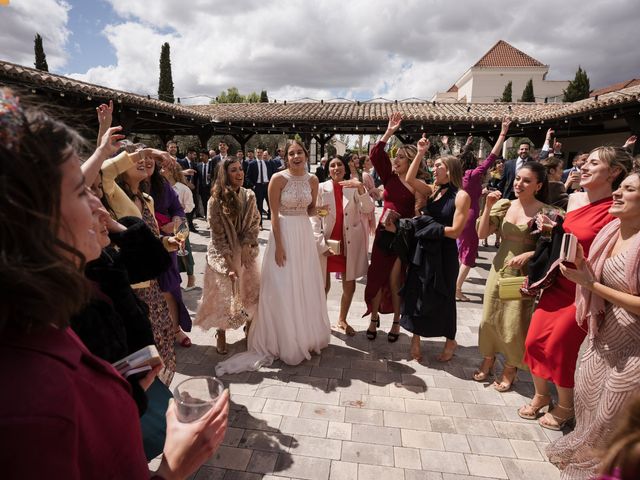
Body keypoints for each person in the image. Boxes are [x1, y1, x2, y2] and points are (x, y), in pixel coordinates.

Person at [0, 90, 229, 479]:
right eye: (80, 190)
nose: (97, 204)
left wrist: (123, 387)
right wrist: (174, 469)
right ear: (32, 217)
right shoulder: (31, 405)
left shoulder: (47, 323)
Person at [521, 146, 632, 430]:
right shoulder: (577, 200)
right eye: (584, 161)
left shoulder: (616, 210)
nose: (583, 166)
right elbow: (567, 239)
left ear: (614, 172)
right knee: (533, 341)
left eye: (593, 163)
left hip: (581, 292)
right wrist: (550, 231)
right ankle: (540, 396)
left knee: (559, 347)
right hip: (558, 284)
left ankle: (566, 407)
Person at [546, 172, 640, 479]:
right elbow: (596, 278)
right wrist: (583, 268)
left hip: (633, 349)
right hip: (601, 337)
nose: (618, 193)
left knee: (610, 420)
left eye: (629, 189)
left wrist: (591, 284)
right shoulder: (611, 230)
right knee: (587, 407)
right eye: (620, 186)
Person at [215, 140, 330, 375]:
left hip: (304, 237)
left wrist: (323, 211)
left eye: (299, 152)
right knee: (282, 285)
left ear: (306, 155)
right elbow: (274, 216)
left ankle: (305, 335)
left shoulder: (313, 180)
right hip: (284, 233)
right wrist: (278, 246)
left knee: (303, 283)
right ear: (285, 157)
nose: (296, 156)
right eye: (291, 153)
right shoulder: (278, 179)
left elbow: (309, 211)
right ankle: (282, 338)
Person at [396, 134, 471, 361]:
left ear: (450, 170)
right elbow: (410, 178)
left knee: (444, 296)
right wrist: (420, 153)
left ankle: (450, 340)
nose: (434, 168)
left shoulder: (461, 196)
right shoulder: (433, 190)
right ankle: (415, 339)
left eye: (438, 165)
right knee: (417, 292)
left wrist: (429, 228)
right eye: (435, 164)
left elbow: (456, 231)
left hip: (444, 254)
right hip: (424, 251)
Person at [474, 162, 549, 391]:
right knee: (489, 316)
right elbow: (481, 233)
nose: (519, 184)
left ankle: (511, 367)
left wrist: (529, 253)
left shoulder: (546, 212)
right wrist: (488, 207)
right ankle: (488, 357)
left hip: (523, 272)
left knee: (515, 322)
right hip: (498, 267)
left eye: (526, 180)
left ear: (538, 185)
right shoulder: (505, 205)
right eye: (518, 179)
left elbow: (551, 248)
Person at [195, 158, 261, 355]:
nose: (239, 173)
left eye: (240, 169)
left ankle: (249, 326)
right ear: (225, 174)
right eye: (233, 170)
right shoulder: (215, 200)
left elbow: (255, 222)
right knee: (223, 297)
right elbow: (217, 236)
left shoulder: (249, 195)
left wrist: (248, 245)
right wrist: (230, 263)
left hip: (246, 251)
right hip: (223, 255)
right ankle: (221, 332)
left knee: (250, 291)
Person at [364, 113, 420, 342]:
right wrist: (389, 132)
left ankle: (397, 321)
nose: (395, 161)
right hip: (381, 234)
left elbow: (419, 215)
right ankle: (374, 318)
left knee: (396, 280)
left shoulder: (417, 184)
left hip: (401, 238)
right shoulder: (388, 178)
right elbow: (376, 154)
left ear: (411, 162)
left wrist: (402, 223)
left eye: (400, 159)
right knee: (376, 278)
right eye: (395, 157)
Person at [311, 157, 374, 336]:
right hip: (327, 243)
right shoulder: (322, 188)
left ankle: (342, 320)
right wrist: (320, 242)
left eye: (339, 164)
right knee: (323, 286)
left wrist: (361, 188)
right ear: (328, 170)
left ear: (345, 169)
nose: (336, 168)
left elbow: (368, 209)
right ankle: (321, 321)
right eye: (332, 165)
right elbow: (315, 216)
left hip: (349, 244)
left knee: (350, 286)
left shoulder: (353, 187)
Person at [455, 118, 511, 301]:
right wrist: (503, 133)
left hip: (456, 215)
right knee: (469, 255)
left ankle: (453, 283)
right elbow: (492, 156)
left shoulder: (456, 176)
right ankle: (456, 289)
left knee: (459, 251)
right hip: (470, 217)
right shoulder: (474, 174)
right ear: (473, 162)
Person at [164, 162, 197, 291]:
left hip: (181, 223)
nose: (161, 170)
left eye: (164, 168)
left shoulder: (183, 189)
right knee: (171, 251)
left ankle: (191, 278)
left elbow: (190, 206)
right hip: (166, 223)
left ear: (171, 171)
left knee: (184, 250)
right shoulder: (162, 187)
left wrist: (180, 208)